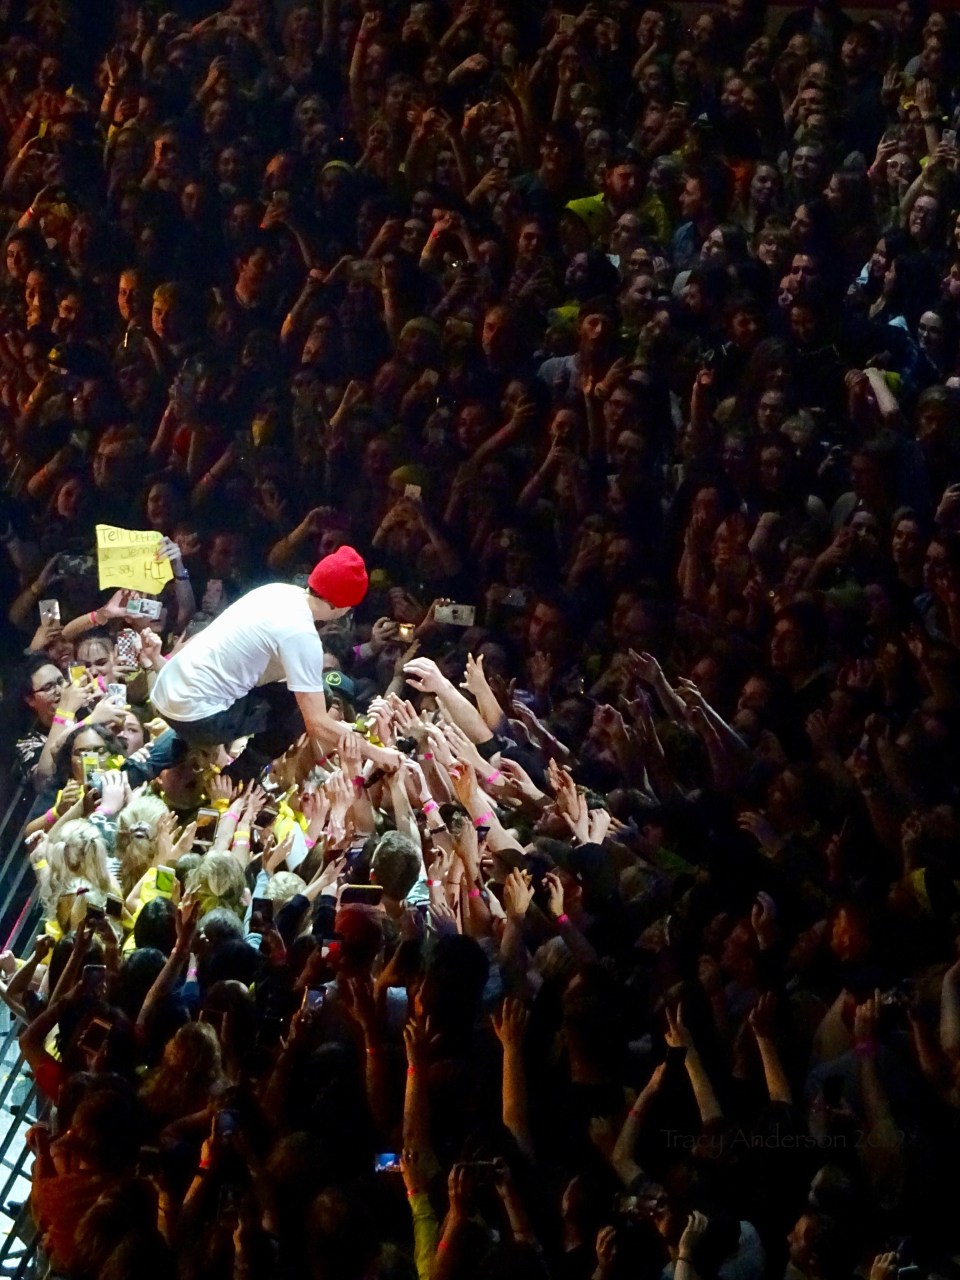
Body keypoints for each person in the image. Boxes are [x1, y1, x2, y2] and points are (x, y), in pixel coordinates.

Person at [151, 546, 374, 768]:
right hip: (198, 718)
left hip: (164, 692)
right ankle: (240, 775)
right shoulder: (302, 634)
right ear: (344, 607)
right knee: (316, 697)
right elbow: (316, 723)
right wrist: (379, 755)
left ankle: (143, 766)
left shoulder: (275, 591)